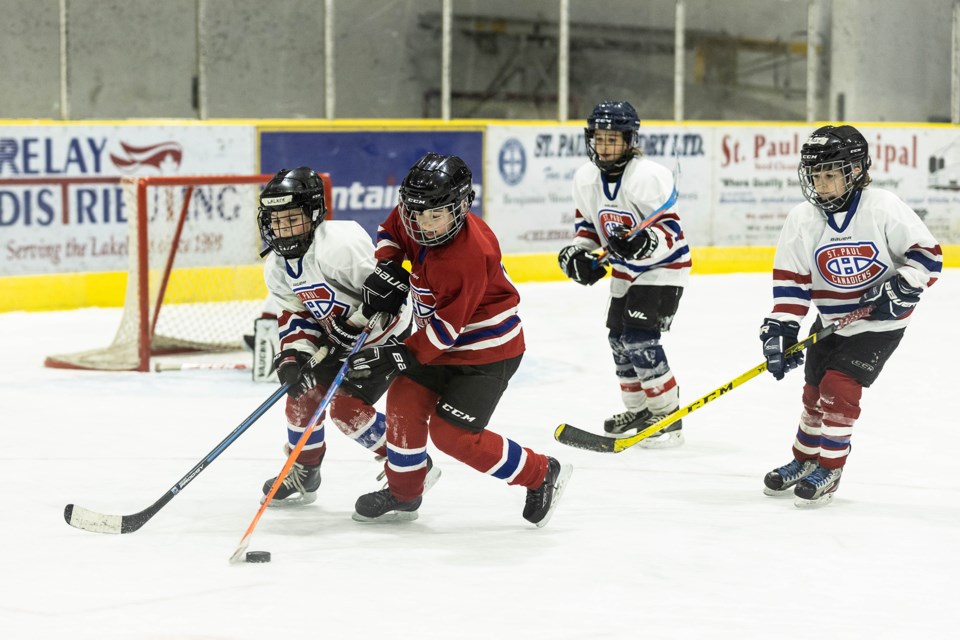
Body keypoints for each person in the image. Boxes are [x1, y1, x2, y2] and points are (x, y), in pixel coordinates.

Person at [342, 152, 573, 527]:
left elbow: (447, 330)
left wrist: (401, 354)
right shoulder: (415, 212)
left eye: (437, 215)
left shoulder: (467, 254)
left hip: (486, 352)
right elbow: (390, 233)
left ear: (461, 207)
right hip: (438, 345)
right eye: (418, 214)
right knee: (402, 401)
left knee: (453, 436)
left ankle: (540, 472)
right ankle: (405, 492)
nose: (425, 224)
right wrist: (388, 265)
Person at [760, 124, 942, 508]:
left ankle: (831, 467)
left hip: (880, 324)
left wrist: (902, 286)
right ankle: (804, 461)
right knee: (812, 395)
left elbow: (928, 255)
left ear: (855, 171)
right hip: (830, 323)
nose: (821, 184)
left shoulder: (882, 207)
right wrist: (782, 328)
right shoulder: (802, 219)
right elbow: (792, 284)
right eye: (815, 175)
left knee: (837, 389)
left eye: (830, 173)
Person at [257, 166, 424, 506]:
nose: (283, 228)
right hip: (339, 338)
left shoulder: (340, 244)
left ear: (315, 214)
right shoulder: (276, 267)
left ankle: (409, 465)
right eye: (276, 220)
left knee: (346, 411)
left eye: (293, 218)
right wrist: (294, 356)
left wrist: (360, 329)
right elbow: (298, 314)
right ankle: (304, 472)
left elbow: (390, 295)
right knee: (301, 395)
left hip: (387, 339)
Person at [557, 100, 691, 448]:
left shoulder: (647, 177)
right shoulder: (586, 179)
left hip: (663, 268)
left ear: (630, 140)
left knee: (639, 339)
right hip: (625, 271)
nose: (604, 147)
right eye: (599, 139)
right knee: (617, 339)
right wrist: (580, 255)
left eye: (612, 139)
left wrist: (645, 243)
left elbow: (671, 231)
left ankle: (668, 415)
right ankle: (641, 409)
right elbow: (587, 227)